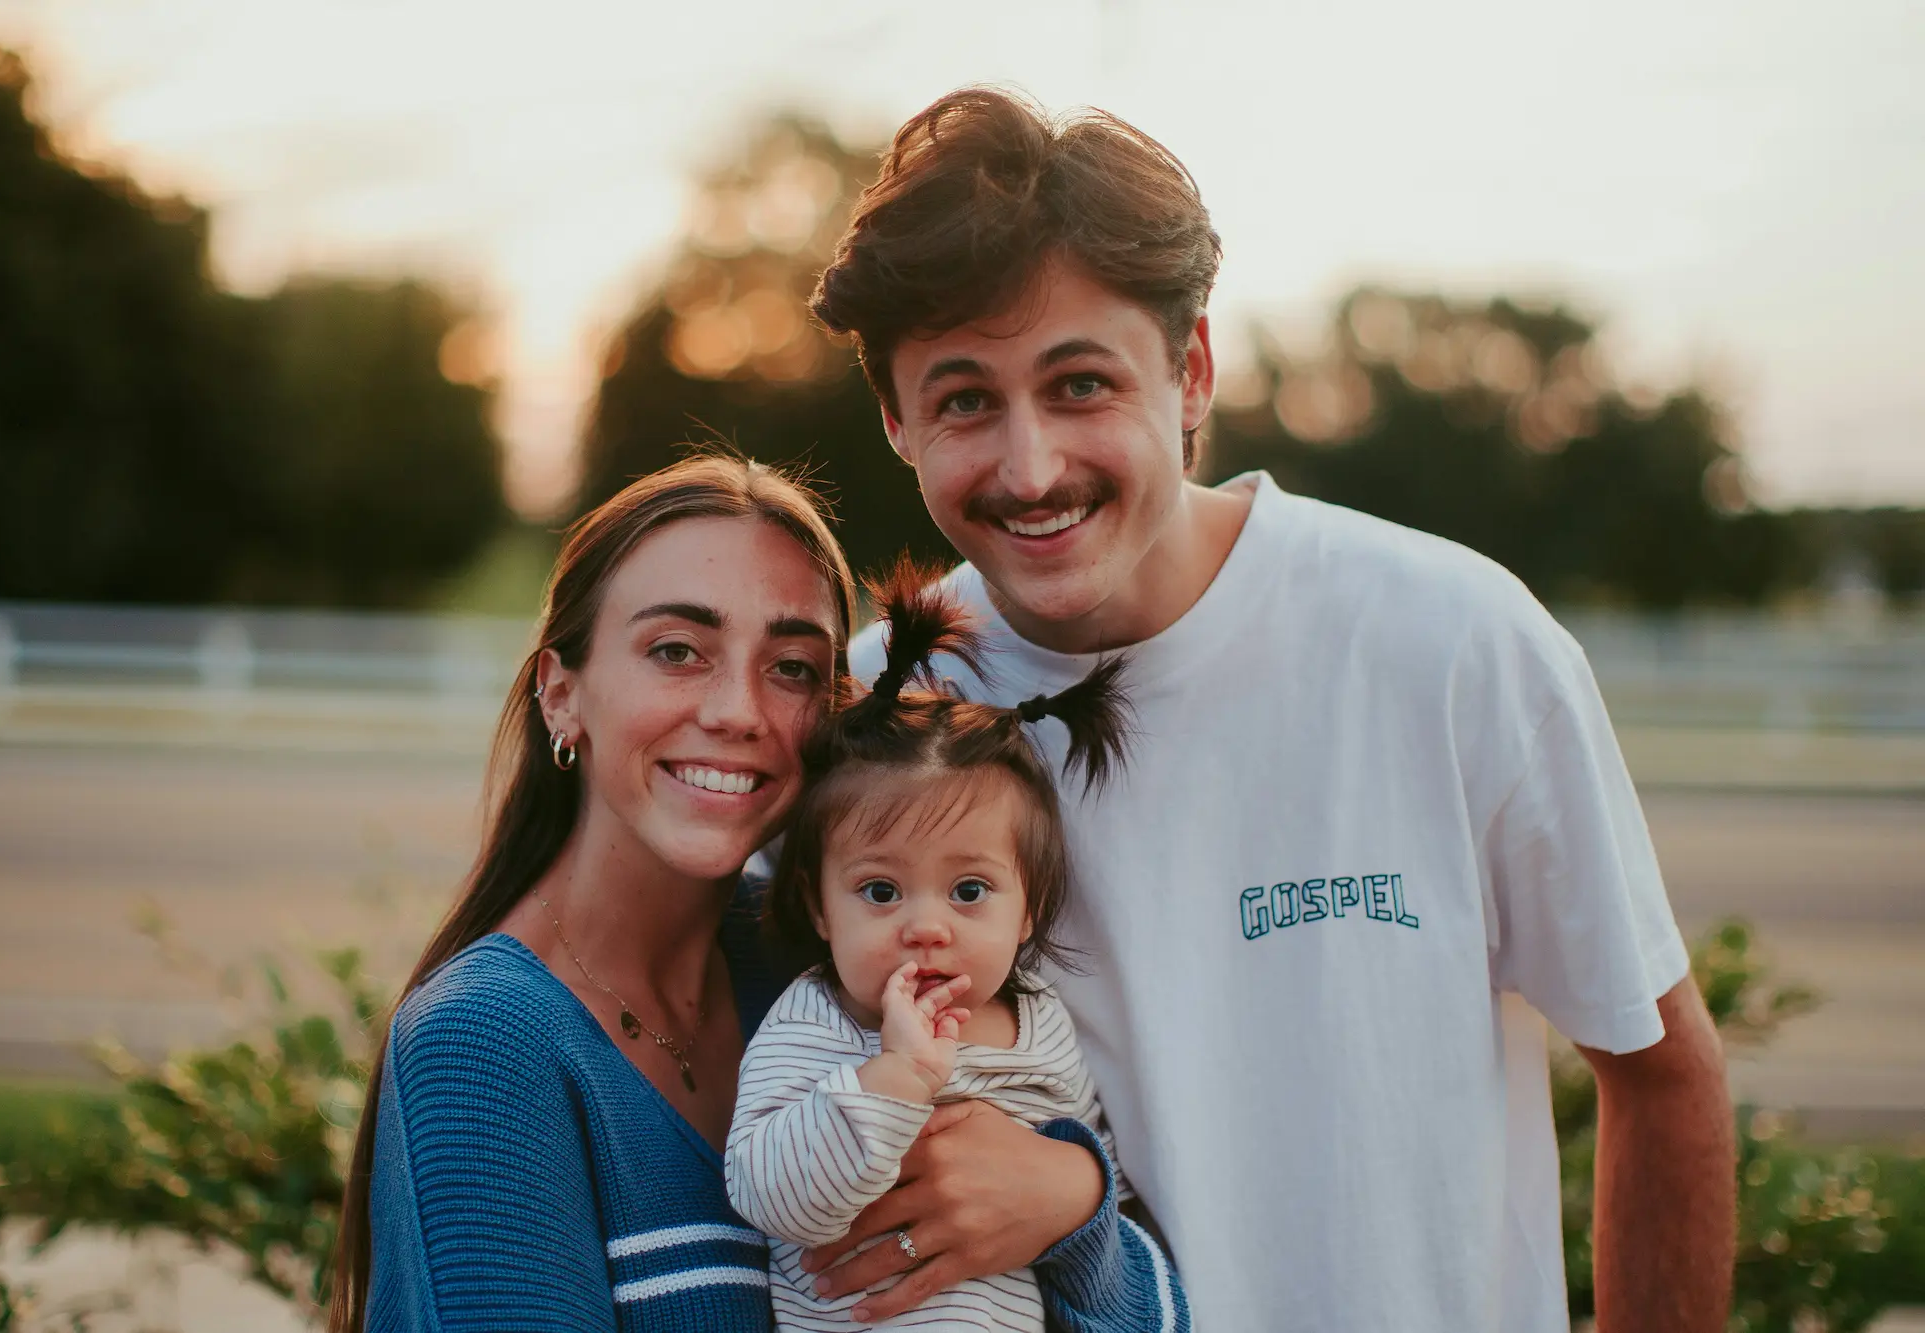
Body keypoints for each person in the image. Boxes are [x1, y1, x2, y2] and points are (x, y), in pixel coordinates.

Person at [810, 89, 1738, 1332]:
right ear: (896, 421)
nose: (1029, 469)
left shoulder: (1450, 639)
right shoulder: (877, 709)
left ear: (1189, 370)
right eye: (965, 400)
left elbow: (1661, 1070)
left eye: (1079, 383)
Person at [325, 455, 1187, 1333]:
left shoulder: (838, 959)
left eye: (792, 667)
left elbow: (1153, 1314)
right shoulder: (483, 1045)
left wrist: (1072, 1204)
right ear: (561, 692)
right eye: (676, 650)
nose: (738, 709)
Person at [726, 563, 1184, 1332]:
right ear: (819, 906)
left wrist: (1073, 1192)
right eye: (880, 891)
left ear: (1029, 907)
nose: (927, 926)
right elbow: (770, 1192)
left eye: (969, 891)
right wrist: (894, 1078)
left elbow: (1099, 1223)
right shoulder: (818, 1022)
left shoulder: (1041, 1027)